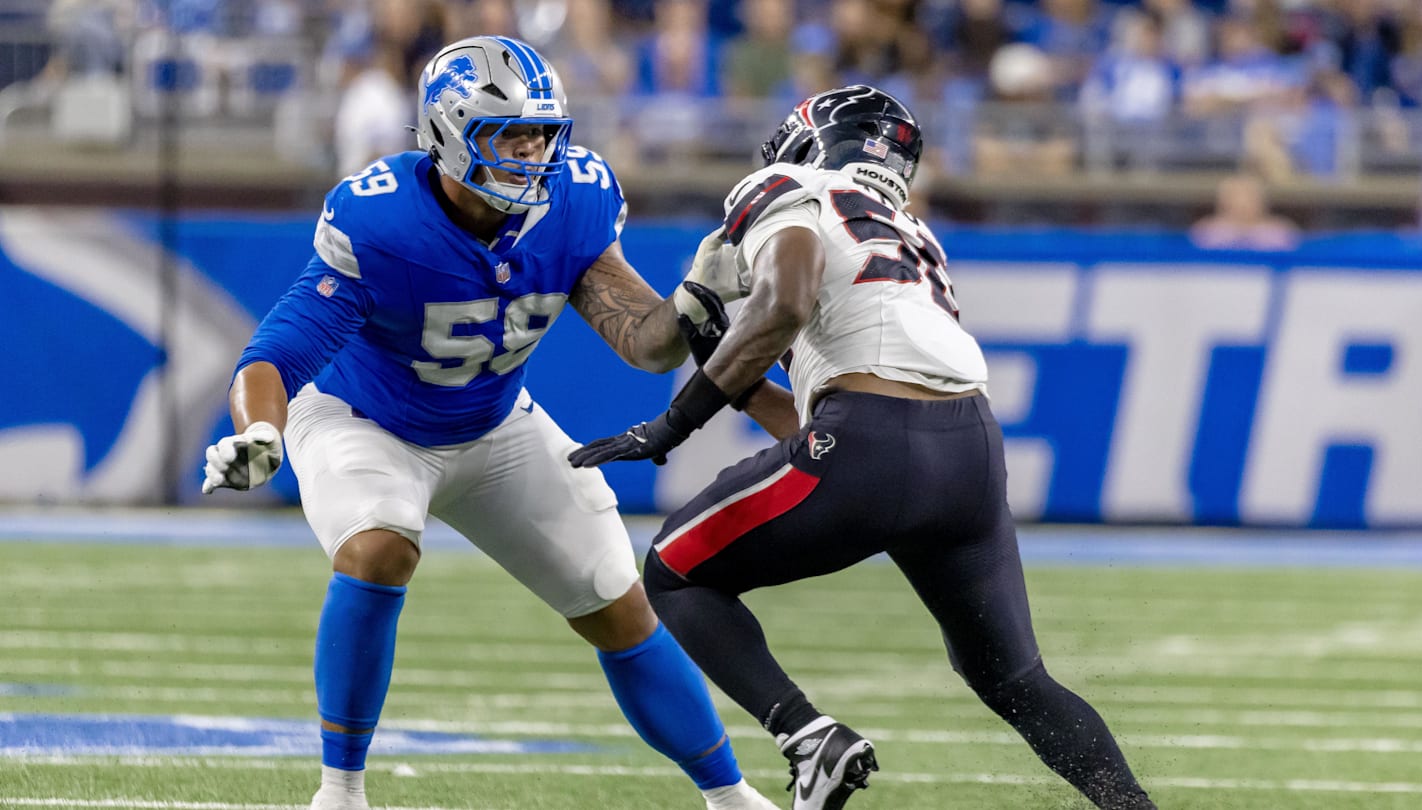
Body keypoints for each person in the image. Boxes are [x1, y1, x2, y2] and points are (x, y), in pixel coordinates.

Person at [201, 35, 780, 810]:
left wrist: (689, 305)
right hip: (364, 419)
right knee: (379, 547)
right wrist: (260, 434)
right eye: (510, 133)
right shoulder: (381, 220)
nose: (533, 151)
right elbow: (276, 351)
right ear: (447, 133)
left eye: (542, 132)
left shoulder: (574, 200)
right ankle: (339, 792)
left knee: (616, 598)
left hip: (495, 423)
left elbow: (644, 345)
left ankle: (731, 797)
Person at [570, 85, 1158, 810]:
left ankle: (806, 735)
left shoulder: (787, 186)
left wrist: (675, 424)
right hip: (969, 451)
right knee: (1015, 679)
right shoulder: (911, 233)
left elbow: (790, 316)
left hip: (874, 445)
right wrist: (732, 375)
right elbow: (837, 418)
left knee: (673, 573)